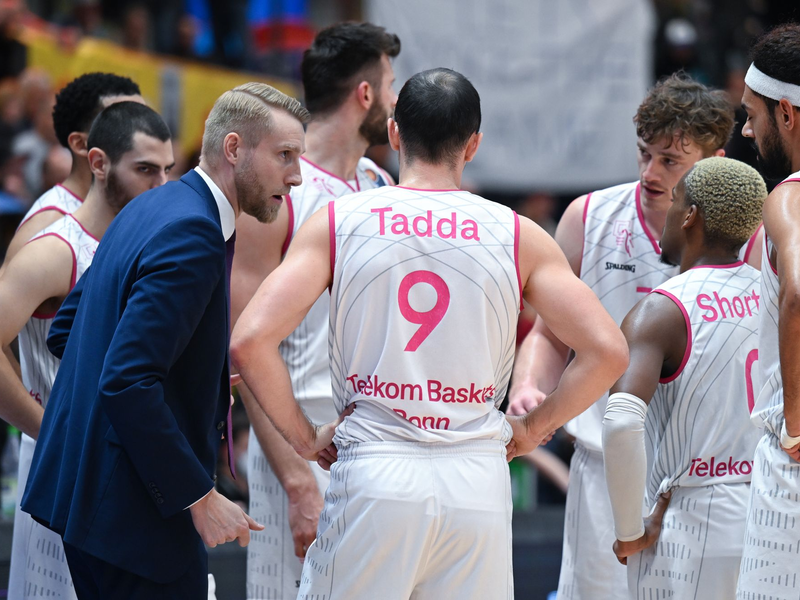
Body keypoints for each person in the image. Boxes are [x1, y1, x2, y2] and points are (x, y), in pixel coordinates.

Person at [230, 68, 628, 599]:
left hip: (377, 472)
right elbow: (608, 351)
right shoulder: (519, 233)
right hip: (477, 482)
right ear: (474, 145)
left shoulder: (340, 220)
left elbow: (249, 341)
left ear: (394, 133)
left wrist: (304, 438)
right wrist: (534, 428)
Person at [20, 82, 309, 599]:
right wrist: (199, 496)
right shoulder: (194, 231)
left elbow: (70, 330)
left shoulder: (153, 204)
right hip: (135, 518)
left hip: (91, 504)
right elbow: (126, 380)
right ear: (234, 148)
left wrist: (196, 372)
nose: (297, 175)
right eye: (284, 155)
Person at [506, 73, 751, 600]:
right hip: (603, 459)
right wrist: (529, 385)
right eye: (644, 154)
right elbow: (549, 333)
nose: (650, 172)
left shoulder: (746, 237)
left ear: (715, 161)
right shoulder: (587, 217)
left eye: (670, 161)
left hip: (701, 477)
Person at [229, 22, 400, 599]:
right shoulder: (279, 193)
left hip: (376, 444)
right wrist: (298, 482)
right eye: (391, 84)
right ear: (366, 94)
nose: (396, 98)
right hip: (299, 448)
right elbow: (244, 349)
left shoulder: (380, 183)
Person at [0, 101, 173, 600]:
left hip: (134, 472)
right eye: (146, 170)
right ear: (98, 163)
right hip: (67, 473)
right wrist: (52, 429)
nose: (161, 185)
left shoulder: (151, 239)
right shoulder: (55, 249)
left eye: (168, 170)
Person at [602, 156, 766, 598]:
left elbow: (621, 423)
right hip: (771, 514)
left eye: (675, 200)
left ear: (690, 215)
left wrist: (629, 530)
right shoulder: (775, 298)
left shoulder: (661, 309)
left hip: (691, 520)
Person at [735, 24, 800, 597]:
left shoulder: (790, 196)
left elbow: (797, 291)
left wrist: (796, 425)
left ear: (787, 112)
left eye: (752, 114)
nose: (747, 130)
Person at [2, 72, 143, 268]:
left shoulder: (124, 212)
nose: (145, 137)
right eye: (125, 125)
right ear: (81, 144)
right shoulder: (47, 225)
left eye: (145, 122)